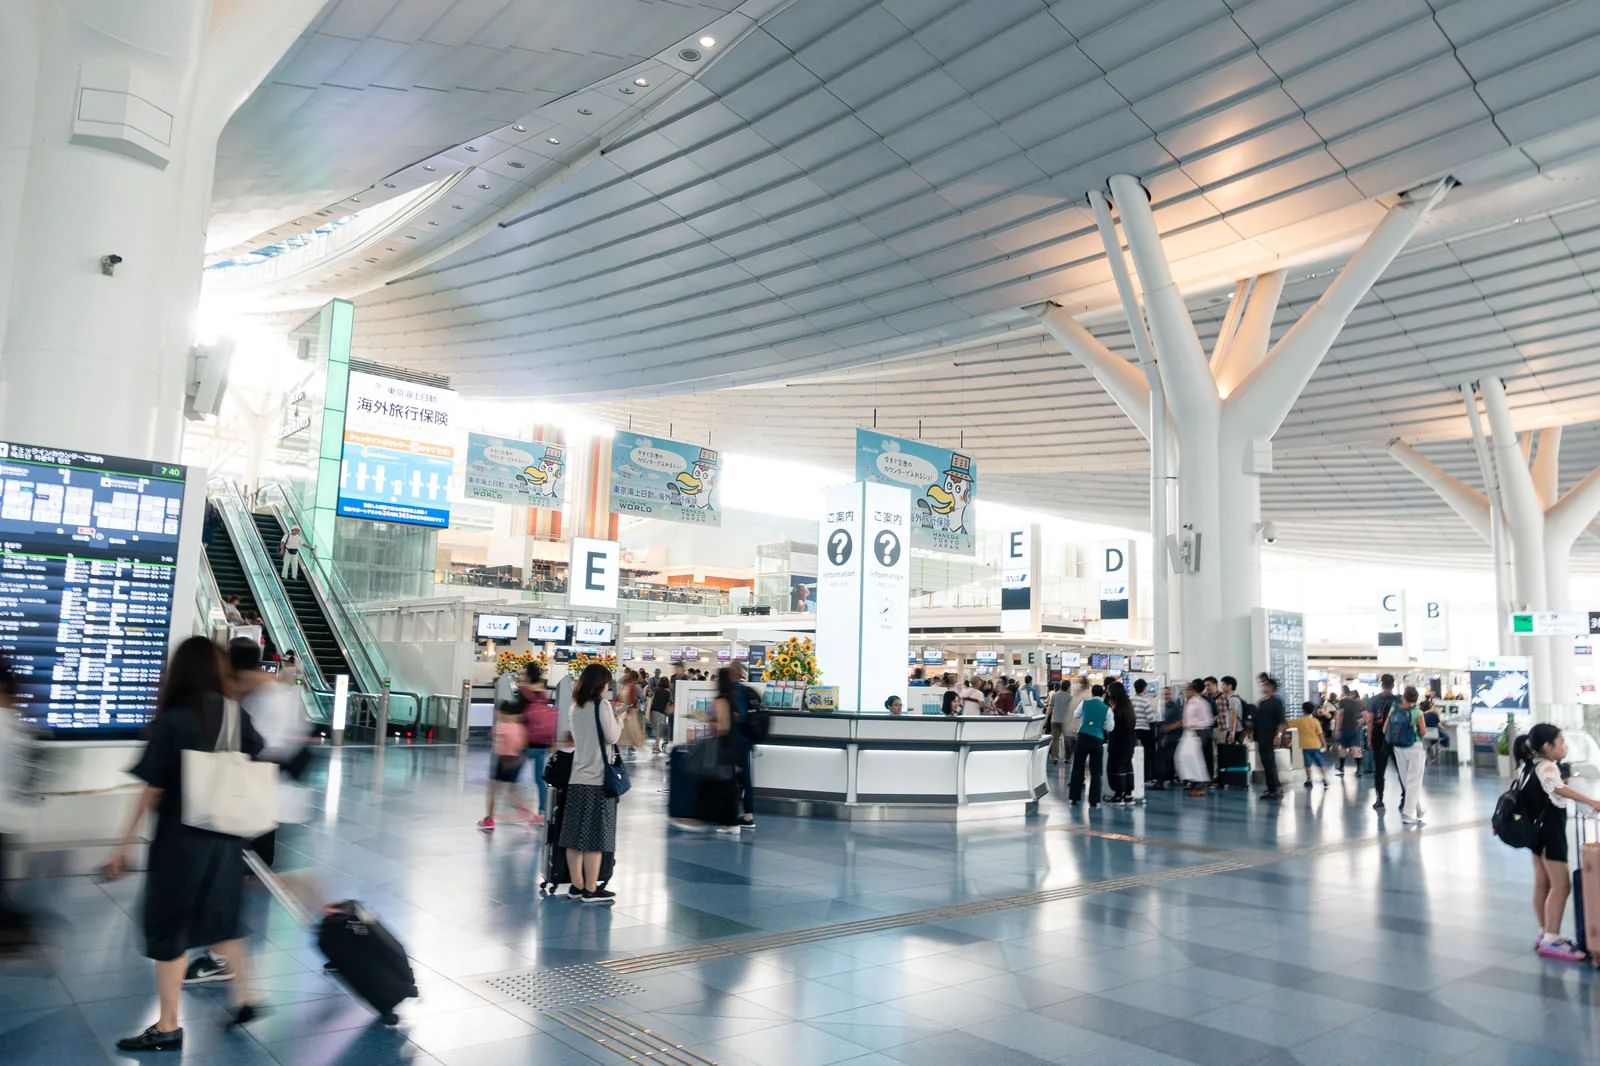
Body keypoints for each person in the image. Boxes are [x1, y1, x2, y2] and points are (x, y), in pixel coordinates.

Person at [104, 637, 266, 1051]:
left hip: (181, 845)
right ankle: (246, 994)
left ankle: (168, 1026)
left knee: (169, 931)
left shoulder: (174, 720)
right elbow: (256, 755)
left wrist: (122, 845)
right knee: (221, 917)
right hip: (226, 840)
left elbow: (152, 788)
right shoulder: (234, 714)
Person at [1515, 724, 1600, 961]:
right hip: (1550, 834)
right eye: (1561, 742)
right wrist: (1590, 801)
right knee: (1562, 886)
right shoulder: (1547, 767)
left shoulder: (1529, 765)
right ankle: (1552, 939)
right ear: (1547, 746)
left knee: (1542, 883)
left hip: (1536, 834)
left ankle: (1545, 932)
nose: (1565, 747)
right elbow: (1555, 786)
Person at [560, 663, 621, 903]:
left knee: (574, 836)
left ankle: (576, 886)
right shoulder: (602, 705)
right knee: (595, 837)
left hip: (577, 778)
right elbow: (612, 736)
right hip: (597, 779)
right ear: (600, 685)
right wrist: (620, 719)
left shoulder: (575, 706)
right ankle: (591, 889)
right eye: (606, 684)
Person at [479, 701, 534, 831]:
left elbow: (497, 741)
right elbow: (523, 745)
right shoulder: (520, 728)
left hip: (502, 761)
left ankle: (489, 819)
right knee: (511, 790)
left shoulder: (501, 727)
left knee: (493, 791)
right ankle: (525, 810)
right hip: (516, 761)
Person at [519, 662, 556, 821]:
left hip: (526, 741)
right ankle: (542, 810)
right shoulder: (542, 692)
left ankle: (514, 805)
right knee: (540, 779)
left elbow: (519, 715)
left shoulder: (523, 691)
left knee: (511, 775)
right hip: (542, 742)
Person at [1386, 685, 1428, 826]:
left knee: (1406, 780)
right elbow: (1423, 732)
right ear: (1416, 698)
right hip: (1414, 747)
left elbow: (1385, 729)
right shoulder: (1417, 712)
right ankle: (1408, 813)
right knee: (1414, 781)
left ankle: (1418, 809)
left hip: (1398, 747)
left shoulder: (1394, 710)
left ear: (1404, 696)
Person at [1068, 684, 1111, 808]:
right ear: (1103, 694)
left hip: (1083, 737)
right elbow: (1110, 727)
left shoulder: (1085, 703)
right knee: (1095, 771)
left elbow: (1076, 714)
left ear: (1092, 693)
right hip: (1097, 739)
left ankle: (1074, 797)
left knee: (1078, 767)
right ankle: (1094, 800)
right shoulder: (1107, 708)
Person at [1366, 674, 1399, 811]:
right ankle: (1405, 800)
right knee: (1401, 770)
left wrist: (1369, 739)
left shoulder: (1374, 700)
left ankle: (1379, 800)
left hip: (1379, 737)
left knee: (1379, 770)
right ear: (1393, 685)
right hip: (1397, 738)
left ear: (1382, 684)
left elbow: (1370, 720)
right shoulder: (1399, 700)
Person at [1176, 680, 1213, 797]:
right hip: (1188, 732)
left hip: (1199, 732)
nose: (1185, 692)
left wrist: (1195, 726)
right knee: (1182, 756)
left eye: (1187, 690)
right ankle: (1193, 781)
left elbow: (1208, 720)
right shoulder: (1189, 702)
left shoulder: (1201, 703)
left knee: (1195, 758)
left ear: (1193, 690)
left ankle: (1201, 783)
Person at [1254, 677, 1287, 799]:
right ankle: (1273, 787)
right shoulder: (1262, 703)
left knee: (1269, 763)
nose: (1263, 687)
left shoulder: (1276, 702)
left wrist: (1278, 735)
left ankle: (1273, 789)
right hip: (1261, 737)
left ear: (1271, 688)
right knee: (1267, 763)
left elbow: (1281, 721)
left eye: (1265, 685)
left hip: (1270, 736)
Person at [1105, 681, 1137, 805]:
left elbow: (1112, 726)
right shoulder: (1128, 706)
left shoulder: (1116, 709)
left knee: (1116, 768)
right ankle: (1128, 795)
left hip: (1118, 743)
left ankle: (1118, 796)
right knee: (1127, 767)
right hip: (1129, 742)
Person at [1290, 702, 1330, 788]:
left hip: (1305, 746)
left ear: (1303, 710)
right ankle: (1324, 779)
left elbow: (1287, 723)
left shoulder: (1299, 721)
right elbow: (1320, 734)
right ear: (1313, 710)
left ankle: (1309, 780)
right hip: (1316, 745)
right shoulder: (1315, 721)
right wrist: (1324, 744)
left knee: (1307, 764)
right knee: (1320, 763)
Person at [1153, 685, 1183, 789]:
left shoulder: (1175, 707)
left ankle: (1161, 781)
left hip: (1172, 736)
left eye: (1168, 694)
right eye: (1165, 694)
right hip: (1163, 737)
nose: (1167, 696)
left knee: (1164, 759)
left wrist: (1168, 728)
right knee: (1166, 759)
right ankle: (1168, 777)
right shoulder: (1161, 707)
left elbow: (1181, 722)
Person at [1131, 679, 1158, 784]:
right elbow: (1151, 718)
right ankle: (1146, 777)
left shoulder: (1130, 700)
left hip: (1133, 731)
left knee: (1134, 754)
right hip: (1145, 731)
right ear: (1144, 688)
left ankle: (1135, 775)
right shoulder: (1146, 701)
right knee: (1147, 754)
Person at [1336, 687, 1365, 776]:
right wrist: (1359, 723)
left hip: (1344, 728)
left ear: (1344, 693)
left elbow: (1339, 715)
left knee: (1343, 747)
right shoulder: (1358, 703)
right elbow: (1366, 715)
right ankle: (1359, 769)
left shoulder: (1342, 702)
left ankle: (1341, 767)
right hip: (1355, 728)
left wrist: (1337, 729)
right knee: (1356, 748)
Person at [1048, 682, 1074, 762]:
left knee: (1055, 739)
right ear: (1068, 687)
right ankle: (1067, 758)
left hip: (1054, 720)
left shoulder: (1054, 695)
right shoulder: (1070, 697)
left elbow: (1050, 707)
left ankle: (1055, 757)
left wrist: (1046, 718)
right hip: (1066, 721)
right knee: (1067, 739)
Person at [649, 671, 673, 754]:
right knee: (659, 730)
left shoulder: (656, 690)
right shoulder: (668, 692)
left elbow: (650, 697)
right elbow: (670, 702)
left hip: (654, 711)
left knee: (656, 729)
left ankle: (656, 746)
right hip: (662, 712)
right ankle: (656, 747)